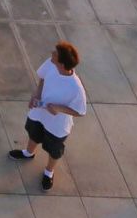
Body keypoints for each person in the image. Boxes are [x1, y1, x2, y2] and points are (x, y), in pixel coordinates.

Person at [8, 42, 87, 190]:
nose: (52, 53)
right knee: (33, 133)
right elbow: (42, 78)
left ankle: (49, 172)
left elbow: (80, 111)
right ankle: (29, 153)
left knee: (54, 150)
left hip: (57, 125)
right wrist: (36, 95)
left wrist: (59, 108)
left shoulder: (76, 88)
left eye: (55, 53)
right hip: (39, 112)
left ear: (62, 63)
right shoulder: (51, 64)